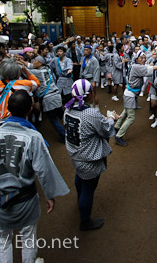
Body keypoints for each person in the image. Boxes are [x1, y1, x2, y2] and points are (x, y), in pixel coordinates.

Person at [0, 91, 69, 263]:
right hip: (25, 197)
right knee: (28, 236)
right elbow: (43, 170)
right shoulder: (34, 137)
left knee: (3, 239)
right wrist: (50, 195)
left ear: (7, 108)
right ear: (29, 109)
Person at [63, 79, 118, 231]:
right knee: (89, 188)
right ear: (89, 95)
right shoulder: (91, 113)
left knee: (80, 178)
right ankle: (85, 221)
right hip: (88, 157)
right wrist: (111, 119)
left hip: (75, 153)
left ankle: (80, 199)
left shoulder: (67, 109)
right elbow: (106, 130)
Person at [113, 51, 157, 146]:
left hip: (129, 94)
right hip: (130, 95)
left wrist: (155, 61)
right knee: (131, 117)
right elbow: (149, 68)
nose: (143, 60)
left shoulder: (135, 65)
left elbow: (148, 66)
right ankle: (119, 136)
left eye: (144, 58)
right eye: (141, 58)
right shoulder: (137, 67)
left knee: (125, 112)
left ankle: (116, 127)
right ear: (136, 59)